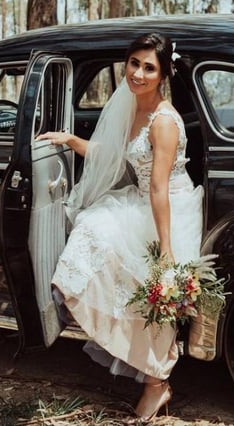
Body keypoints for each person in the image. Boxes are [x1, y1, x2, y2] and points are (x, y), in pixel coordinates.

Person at [37, 33, 204, 422]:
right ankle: (147, 372)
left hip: (167, 208)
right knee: (94, 241)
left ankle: (157, 383)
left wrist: (166, 248)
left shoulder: (164, 122)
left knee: (149, 289)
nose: (138, 74)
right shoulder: (131, 106)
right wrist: (70, 139)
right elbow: (114, 154)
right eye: (134, 63)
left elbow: (159, 187)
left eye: (149, 68)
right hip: (142, 199)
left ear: (163, 75)